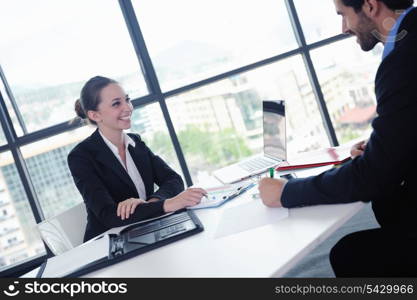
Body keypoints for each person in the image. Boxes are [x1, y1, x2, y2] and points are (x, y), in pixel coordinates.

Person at [258, 0, 417, 277]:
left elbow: (371, 178)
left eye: (343, 15)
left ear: (369, 6)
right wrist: (386, 146)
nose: (344, 28)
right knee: (389, 203)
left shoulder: (403, 60)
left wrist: (285, 193)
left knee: (351, 254)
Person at [68, 76, 206, 242]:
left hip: (147, 230)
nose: (128, 107)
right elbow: (109, 215)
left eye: (127, 100)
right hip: (109, 243)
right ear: (95, 115)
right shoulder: (81, 157)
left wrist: (152, 203)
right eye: (116, 104)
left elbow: (173, 179)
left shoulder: (135, 142)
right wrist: (168, 204)